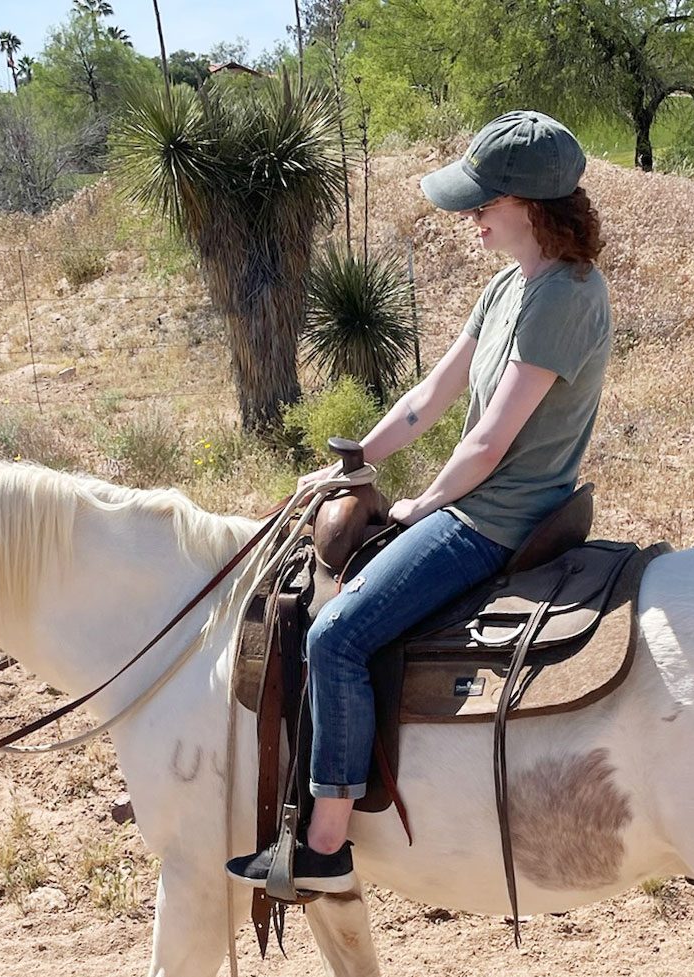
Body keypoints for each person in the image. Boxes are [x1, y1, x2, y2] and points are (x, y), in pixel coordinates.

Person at [227, 110, 613, 894]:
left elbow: (488, 443)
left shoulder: (566, 298)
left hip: (496, 518)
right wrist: (355, 462)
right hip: (472, 499)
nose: (471, 217)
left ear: (529, 206)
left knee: (336, 635)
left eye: (482, 203)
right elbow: (432, 396)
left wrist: (421, 505)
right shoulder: (510, 285)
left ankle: (326, 842)